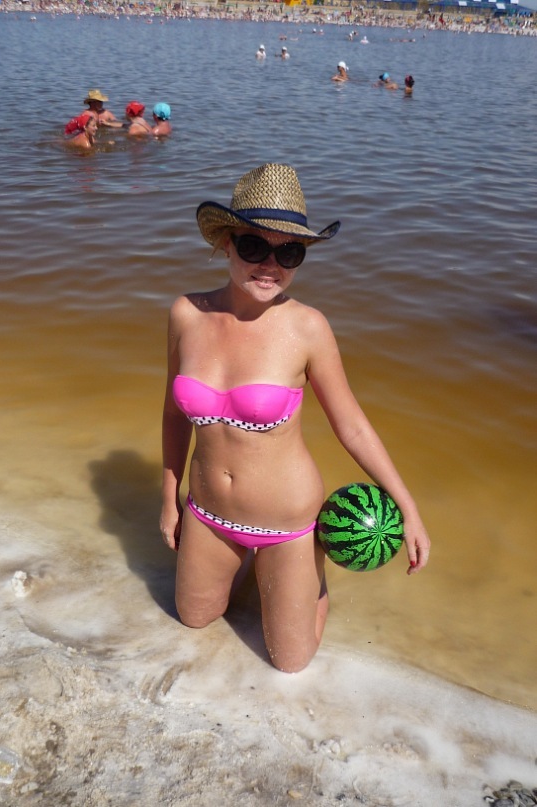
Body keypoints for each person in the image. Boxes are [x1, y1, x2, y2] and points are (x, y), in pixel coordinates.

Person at [160, 163, 431, 674]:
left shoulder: (308, 328)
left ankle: (313, 577)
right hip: (208, 513)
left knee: (290, 663)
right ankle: (247, 567)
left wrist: (408, 507)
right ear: (226, 243)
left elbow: (351, 425)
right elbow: (174, 414)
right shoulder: (186, 314)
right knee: (194, 619)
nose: (270, 265)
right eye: (253, 247)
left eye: (289, 252)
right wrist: (168, 499)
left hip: (286, 524)